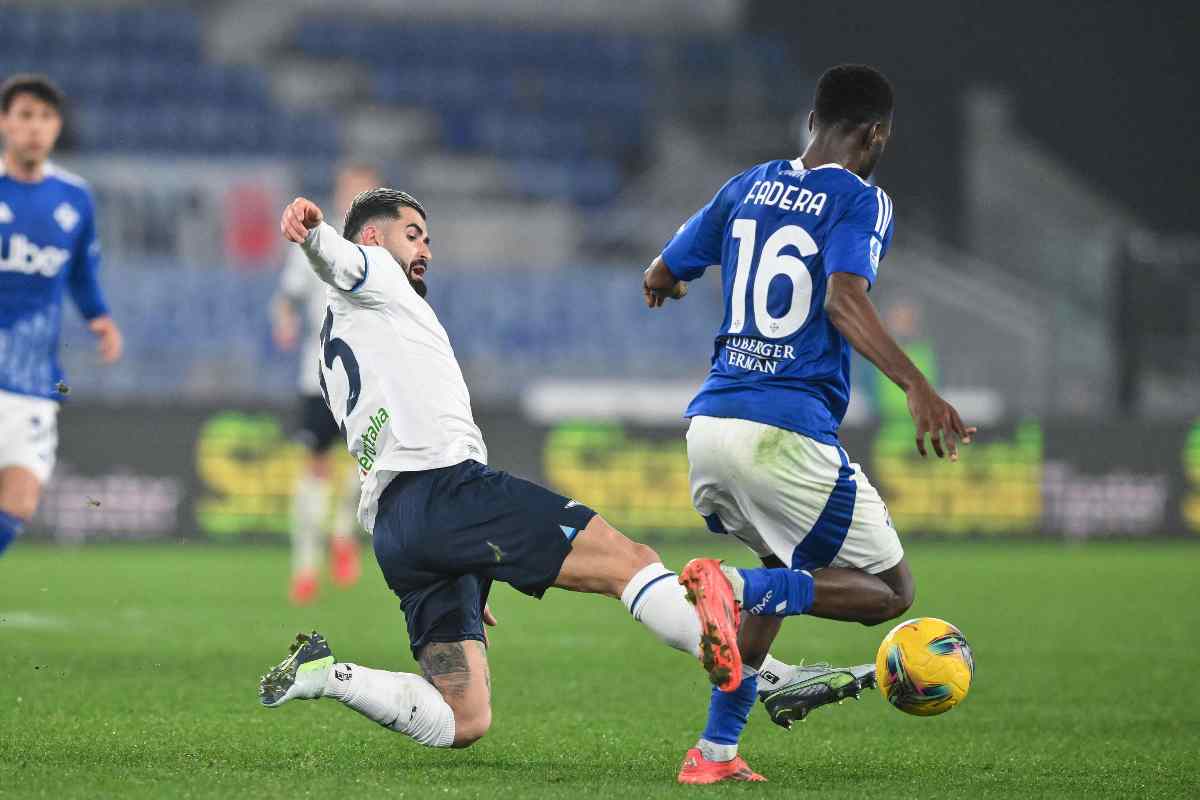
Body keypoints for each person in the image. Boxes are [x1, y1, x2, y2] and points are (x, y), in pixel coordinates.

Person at [258, 190, 744, 751]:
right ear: (372, 238)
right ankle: (765, 678)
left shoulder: (332, 351)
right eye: (413, 234)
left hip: (398, 528)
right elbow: (336, 259)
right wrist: (316, 232)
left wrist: (460, 548)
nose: (425, 252)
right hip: (447, 488)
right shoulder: (375, 273)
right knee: (629, 562)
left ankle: (331, 675)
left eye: (428, 240)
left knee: (463, 719)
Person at [642, 64, 976, 784]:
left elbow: (660, 271)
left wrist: (670, 284)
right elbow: (843, 301)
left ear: (811, 120)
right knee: (890, 592)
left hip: (709, 427)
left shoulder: (748, 183)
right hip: (782, 433)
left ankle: (715, 752)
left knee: (780, 568)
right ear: (876, 132)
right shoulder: (862, 199)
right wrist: (917, 385)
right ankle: (731, 593)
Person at [0, 74, 123, 557]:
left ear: (56, 127)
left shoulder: (75, 198)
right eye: (25, 115)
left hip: (32, 383)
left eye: (45, 117)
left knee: (20, 504)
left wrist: (100, 317)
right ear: (5, 122)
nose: (35, 127)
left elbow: (80, 271)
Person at [271, 163, 381, 604]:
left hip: (368, 376)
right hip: (317, 375)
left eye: (364, 191)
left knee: (366, 464)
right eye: (349, 190)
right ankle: (305, 567)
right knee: (314, 466)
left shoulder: (381, 248)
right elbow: (287, 297)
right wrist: (283, 319)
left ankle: (342, 534)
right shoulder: (316, 237)